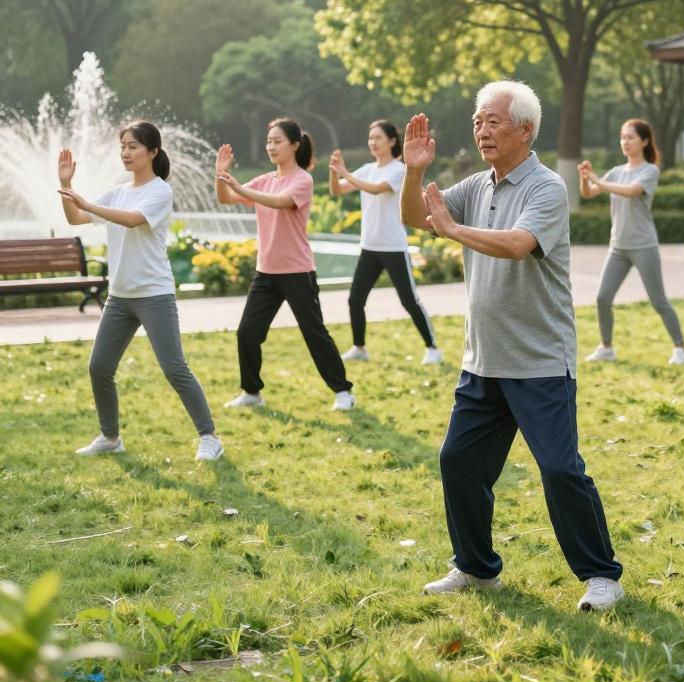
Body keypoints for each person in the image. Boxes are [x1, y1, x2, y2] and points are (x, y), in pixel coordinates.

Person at [400, 81, 625, 612]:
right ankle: (476, 568)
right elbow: (416, 216)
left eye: (494, 121)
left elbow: (520, 245)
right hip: (483, 360)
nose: (482, 130)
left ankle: (601, 575)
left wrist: (453, 229)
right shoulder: (478, 186)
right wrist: (413, 172)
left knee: (559, 469)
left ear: (526, 129)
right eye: (478, 121)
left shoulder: (545, 187)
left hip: (540, 359)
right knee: (458, 462)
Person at [57, 121, 223, 461]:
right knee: (99, 367)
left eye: (133, 146)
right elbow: (75, 219)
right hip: (119, 297)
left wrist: (89, 205)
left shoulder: (160, 191)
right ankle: (110, 436)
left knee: (174, 368)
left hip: (154, 295)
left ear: (153, 152)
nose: (126, 152)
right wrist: (66, 184)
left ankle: (209, 437)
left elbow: (132, 220)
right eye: (123, 146)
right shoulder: (117, 192)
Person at [215, 118, 354, 412]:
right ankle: (252, 392)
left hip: (297, 271)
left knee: (314, 332)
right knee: (247, 332)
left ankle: (343, 391)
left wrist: (242, 187)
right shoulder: (265, 179)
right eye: (268, 141)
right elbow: (226, 198)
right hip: (266, 272)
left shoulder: (302, 180)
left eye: (277, 141)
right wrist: (220, 173)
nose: (271, 146)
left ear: (294, 145)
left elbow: (280, 202)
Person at [328, 120, 442, 366]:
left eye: (378, 137)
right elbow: (337, 190)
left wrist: (346, 172)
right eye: (370, 138)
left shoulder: (398, 170)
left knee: (409, 300)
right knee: (355, 299)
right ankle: (359, 348)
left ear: (392, 140)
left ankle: (433, 348)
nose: (373, 142)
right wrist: (334, 170)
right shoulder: (367, 168)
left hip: (393, 247)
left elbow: (376, 189)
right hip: (369, 247)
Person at [578, 118, 684, 366]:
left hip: (643, 246)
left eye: (630, 137)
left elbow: (630, 192)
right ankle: (606, 347)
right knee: (602, 298)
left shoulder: (650, 170)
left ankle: (680, 348)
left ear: (645, 141)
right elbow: (588, 194)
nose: (625, 142)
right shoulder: (617, 172)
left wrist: (598, 180)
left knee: (658, 301)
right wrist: (586, 177)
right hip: (618, 246)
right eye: (622, 137)